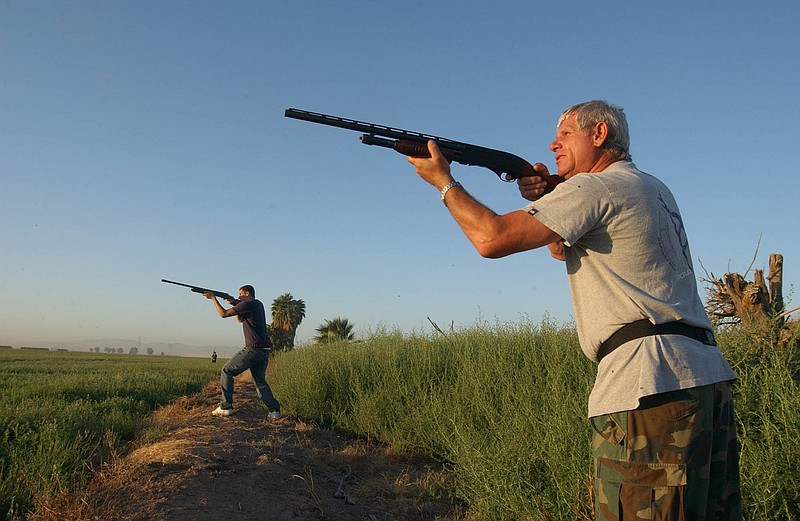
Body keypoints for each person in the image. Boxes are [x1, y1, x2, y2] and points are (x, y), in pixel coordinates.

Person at [407, 100, 741, 520]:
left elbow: (491, 239)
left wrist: (443, 182)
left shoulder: (596, 187)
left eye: (565, 134)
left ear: (599, 134)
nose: (552, 144)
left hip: (649, 388)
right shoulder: (652, 187)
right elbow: (561, 249)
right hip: (705, 379)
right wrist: (551, 196)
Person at [204, 285, 281, 420]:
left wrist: (213, 299)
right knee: (260, 381)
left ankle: (225, 406)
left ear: (247, 293)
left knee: (227, 370)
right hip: (264, 350)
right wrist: (233, 302)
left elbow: (223, 314)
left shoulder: (248, 304)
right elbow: (240, 319)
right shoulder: (257, 304)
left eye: (240, 294)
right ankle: (274, 411)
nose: (239, 296)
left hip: (253, 349)